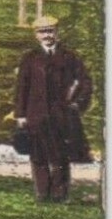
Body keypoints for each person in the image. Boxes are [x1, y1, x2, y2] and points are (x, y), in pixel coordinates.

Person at [14, 16, 94, 203]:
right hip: (36, 115)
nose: (47, 35)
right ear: (36, 35)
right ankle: (42, 194)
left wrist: (76, 103)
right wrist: (21, 115)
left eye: (50, 31)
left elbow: (85, 81)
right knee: (38, 156)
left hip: (61, 115)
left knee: (60, 156)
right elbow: (21, 88)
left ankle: (60, 195)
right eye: (42, 32)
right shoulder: (30, 59)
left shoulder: (68, 57)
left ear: (57, 32)